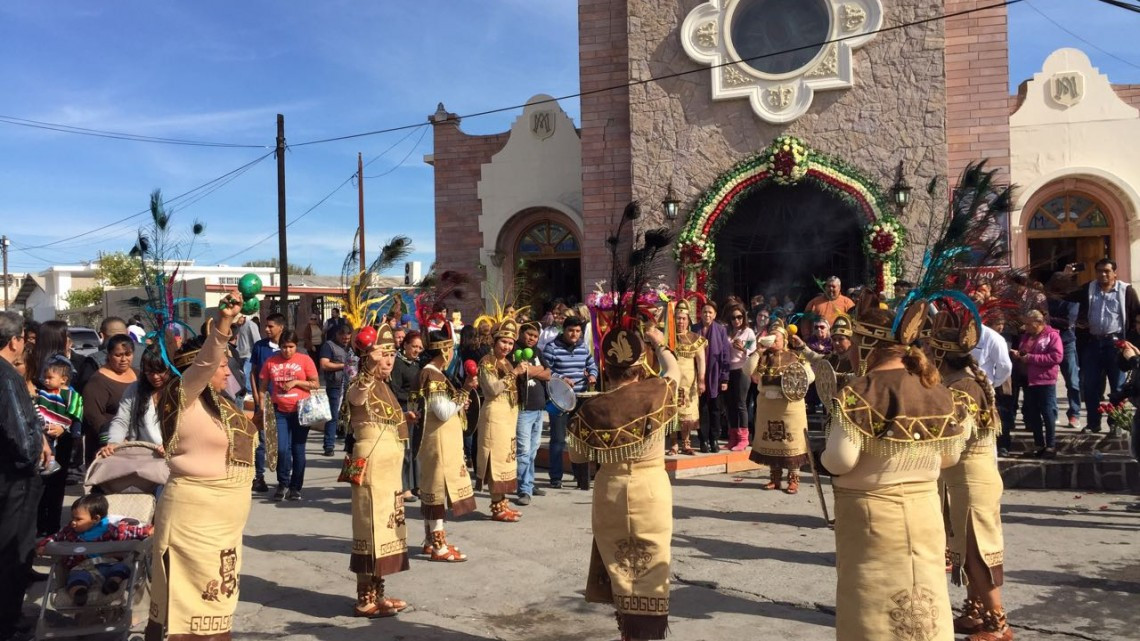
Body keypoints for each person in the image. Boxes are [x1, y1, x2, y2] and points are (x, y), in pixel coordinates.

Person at [821, 293, 969, 641]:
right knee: (924, 607)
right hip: (925, 512)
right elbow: (950, 457)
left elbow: (841, 459)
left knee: (874, 611)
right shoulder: (936, 388)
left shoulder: (860, 392)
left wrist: (821, 457)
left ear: (868, 343)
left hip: (874, 518)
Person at [146, 293, 258, 641]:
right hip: (193, 524)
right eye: (222, 365)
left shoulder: (221, 404)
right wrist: (223, 324)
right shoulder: (181, 397)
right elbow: (206, 364)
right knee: (191, 614)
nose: (226, 370)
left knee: (217, 607)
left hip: (223, 528)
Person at [569, 324, 679, 641]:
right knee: (652, 564)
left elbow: (577, 457)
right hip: (652, 489)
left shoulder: (593, 409)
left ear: (606, 367)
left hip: (611, 492)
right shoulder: (659, 390)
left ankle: (628, 634)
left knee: (620, 566)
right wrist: (659, 344)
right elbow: (675, 371)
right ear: (640, 364)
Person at [928, 308, 1013, 641]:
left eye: (929, 351)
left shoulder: (962, 388)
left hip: (971, 479)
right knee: (966, 548)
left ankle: (998, 625)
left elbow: (954, 438)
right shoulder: (962, 381)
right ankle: (976, 612)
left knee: (979, 553)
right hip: (967, 478)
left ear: (940, 355)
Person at [344, 324, 411, 618]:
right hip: (371, 469)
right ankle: (364, 598)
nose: (389, 360)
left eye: (392, 354)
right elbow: (356, 398)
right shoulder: (361, 381)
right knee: (369, 530)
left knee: (385, 530)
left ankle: (378, 592)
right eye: (384, 354)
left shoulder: (386, 388)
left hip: (389, 472)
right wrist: (369, 368)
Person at [0, 311, 51, 641]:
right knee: (13, 551)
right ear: (14, 341)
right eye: (20, 338)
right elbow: (18, 431)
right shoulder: (7, 376)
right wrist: (35, 453)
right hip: (14, 479)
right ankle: (8, 621)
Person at [416, 325, 478, 562]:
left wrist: (460, 400)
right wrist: (464, 392)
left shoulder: (435, 374)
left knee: (434, 493)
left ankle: (431, 542)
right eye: (451, 349)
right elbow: (442, 412)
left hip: (441, 441)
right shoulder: (432, 375)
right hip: (438, 443)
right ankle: (438, 546)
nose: (452, 354)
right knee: (436, 493)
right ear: (444, 351)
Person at [35, 493, 153, 607]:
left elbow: (131, 532)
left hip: (109, 563)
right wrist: (44, 545)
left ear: (96, 519)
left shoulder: (112, 530)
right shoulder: (69, 532)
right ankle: (79, 593)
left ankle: (112, 583)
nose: (73, 522)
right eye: (72, 518)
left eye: (78, 519)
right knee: (75, 578)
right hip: (82, 567)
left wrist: (147, 531)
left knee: (121, 568)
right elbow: (55, 537)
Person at [1065, 259, 1140, 433]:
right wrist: (1066, 276)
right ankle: (1093, 423)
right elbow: (1065, 295)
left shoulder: (1126, 291)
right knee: (1090, 386)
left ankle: (1115, 423)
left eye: (1107, 271)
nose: (1103, 274)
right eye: (1099, 271)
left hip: (1117, 345)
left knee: (1118, 387)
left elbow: (1136, 316)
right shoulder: (1088, 288)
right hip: (1093, 343)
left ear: (1115, 273)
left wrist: (1130, 344)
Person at [748, 321, 813, 493]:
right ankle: (775, 479)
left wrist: (793, 383)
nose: (773, 339)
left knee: (791, 444)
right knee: (773, 442)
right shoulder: (763, 357)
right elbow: (747, 370)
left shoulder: (795, 356)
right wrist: (758, 351)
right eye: (771, 336)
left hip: (790, 408)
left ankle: (793, 479)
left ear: (785, 339)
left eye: (776, 336)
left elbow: (810, 376)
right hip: (768, 406)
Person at [259, 330, 320, 502]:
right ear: (280, 346)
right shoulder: (271, 362)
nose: (287, 350)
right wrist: (262, 407)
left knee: (298, 449)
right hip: (279, 411)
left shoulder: (305, 360)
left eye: (291, 347)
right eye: (284, 347)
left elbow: (315, 384)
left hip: (301, 411)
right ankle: (283, 483)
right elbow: (263, 387)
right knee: (281, 449)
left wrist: (296, 382)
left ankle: (295, 487)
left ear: (296, 346)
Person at [475, 319, 525, 521]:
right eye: (503, 342)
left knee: (505, 459)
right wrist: (515, 373)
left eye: (510, 343)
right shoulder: (487, 361)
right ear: (494, 342)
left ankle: (503, 503)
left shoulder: (507, 362)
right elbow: (492, 389)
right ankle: (497, 507)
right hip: (495, 415)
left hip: (508, 416)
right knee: (495, 460)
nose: (507, 346)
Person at [541, 315, 598, 489]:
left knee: (578, 439)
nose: (574, 334)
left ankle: (579, 476)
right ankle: (556, 478)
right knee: (558, 439)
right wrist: (561, 378)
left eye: (578, 331)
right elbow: (546, 372)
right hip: (559, 400)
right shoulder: (552, 347)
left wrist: (593, 375)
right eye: (571, 330)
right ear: (564, 330)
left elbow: (592, 365)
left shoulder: (583, 347)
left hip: (580, 399)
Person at [80, 335, 137, 468]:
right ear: (109, 355)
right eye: (118, 355)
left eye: (128, 354)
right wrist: (114, 439)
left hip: (135, 444)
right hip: (107, 447)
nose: (124, 359)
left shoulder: (139, 375)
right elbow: (93, 416)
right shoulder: (98, 381)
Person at [101, 346, 170, 451]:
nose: (155, 376)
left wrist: (171, 445)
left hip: (172, 452)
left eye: (160, 371)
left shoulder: (179, 389)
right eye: (150, 372)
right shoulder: (135, 389)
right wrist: (113, 443)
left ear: (169, 368)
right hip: (142, 452)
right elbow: (122, 419)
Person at [1014, 310, 1063, 458]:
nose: (1026, 327)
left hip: (1044, 379)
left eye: (1029, 324)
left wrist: (1031, 358)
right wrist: (1019, 355)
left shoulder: (1052, 336)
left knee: (1047, 412)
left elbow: (1056, 357)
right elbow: (1024, 352)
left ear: (1039, 323)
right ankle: (1039, 444)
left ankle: (1051, 445)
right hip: (1029, 379)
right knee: (1033, 413)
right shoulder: (1027, 336)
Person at [514, 322, 551, 505]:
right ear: (521, 334)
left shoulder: (538, 352)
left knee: (533, 451)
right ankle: (524, 489)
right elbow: (521, 373)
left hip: (538, 409)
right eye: (529, 334)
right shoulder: (515, 351)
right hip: (523, 409)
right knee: (523, 451)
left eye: (535, 336)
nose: (532, 339)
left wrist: (531, 371)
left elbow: (548, 373)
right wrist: (538, 371)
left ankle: (529, 482)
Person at [249, 313, 284, 493]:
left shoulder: (287, 347)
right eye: (266, 326)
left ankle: (282, 480)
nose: (267, 329)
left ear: (281, 327)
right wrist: (257, 396)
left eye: (271, 326)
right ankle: (259, 476)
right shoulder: (260, 346)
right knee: (261, 440)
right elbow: (253, 372)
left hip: (283, 403)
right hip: (263, 401)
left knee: (281, 442)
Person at [33, 356, 83, 476]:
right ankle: (44, 461)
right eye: (45, 377)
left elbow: (76, 413)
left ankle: (50, 462)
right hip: (42, 424)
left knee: (49, 442)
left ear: (63, 379)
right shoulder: (43, 392)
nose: (46, 381)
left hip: (57, 427)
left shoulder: (70, 394)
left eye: (50, 378)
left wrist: (75, 432)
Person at [669, 301, 706, 456]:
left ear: (688, 320)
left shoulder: (695, 338)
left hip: (689, 384)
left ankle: (686, 443)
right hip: (672, 383)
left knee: (687, 415)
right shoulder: (668, 338)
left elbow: (701, 360)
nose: (681, 321)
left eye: (684, 318)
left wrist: (701, 380)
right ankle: (673, 444)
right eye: (678, 318)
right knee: (672, 414)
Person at [391, 331, 424, 500]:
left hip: (418, 410)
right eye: (414, 346)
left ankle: (417, 484)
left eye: (420, 347)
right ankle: (404, 487)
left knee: (418, 448)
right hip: (404, 410)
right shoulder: (398, 363)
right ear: (405, 345)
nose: (417, 350)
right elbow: (395, 390)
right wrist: (410, 399)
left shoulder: (418, 364)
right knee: (406, 450)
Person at [1047, 278, 1081, 428]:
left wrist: (1048, 319)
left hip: (1067, 344)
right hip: (1049, 344)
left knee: (1072, 381)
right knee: (1050, 381)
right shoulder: (1047, 301)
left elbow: (1067, 323)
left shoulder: (1072, 301)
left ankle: (1074, 413)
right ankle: (1052, 413)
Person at [696, 302, 730, 453]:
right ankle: (703, 440)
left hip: (715, 374)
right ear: (701, 314)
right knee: (702, 409)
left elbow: (725, 354)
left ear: (715, 315)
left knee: (715, 409)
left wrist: (724, 378)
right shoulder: (694, 329)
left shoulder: (721, 330)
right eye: (705, 312)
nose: (707, 315)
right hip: (698, 375)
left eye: (710, 312)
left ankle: (714, 439)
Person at [724, 303, 757, 451]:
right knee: (730, 404)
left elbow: (752, 351)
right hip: (728, 370)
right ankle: (733, 437)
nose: (736, 320)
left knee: (741, 403)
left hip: (742, 369)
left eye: (739, 317)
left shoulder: (748, 332)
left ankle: (744, 438)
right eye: (733, 318)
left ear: (743, 317)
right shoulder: (727, 332)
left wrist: (742, 349)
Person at [319, 324, 352, 457]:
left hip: (349, 384)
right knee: (333, 415)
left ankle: (348, 442)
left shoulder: (350, 347)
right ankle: (329, 445)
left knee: (349, 415)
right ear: (337, 334)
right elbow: (324, 364)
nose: (346, 341)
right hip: (335, 385)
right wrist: (344, 366)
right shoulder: (329, 346)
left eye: (348, 339)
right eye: (343, 338)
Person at [233, 314, 261, 403]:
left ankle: (249, 392)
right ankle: (245, 391)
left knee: (247, 372)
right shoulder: (238, 326)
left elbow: (257, 340)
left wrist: (256, 354)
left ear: (243, 316)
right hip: (239, 354)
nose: (237, 321)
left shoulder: (251, 325)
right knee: (241, 374)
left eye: (238, 319)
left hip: (249, 354)